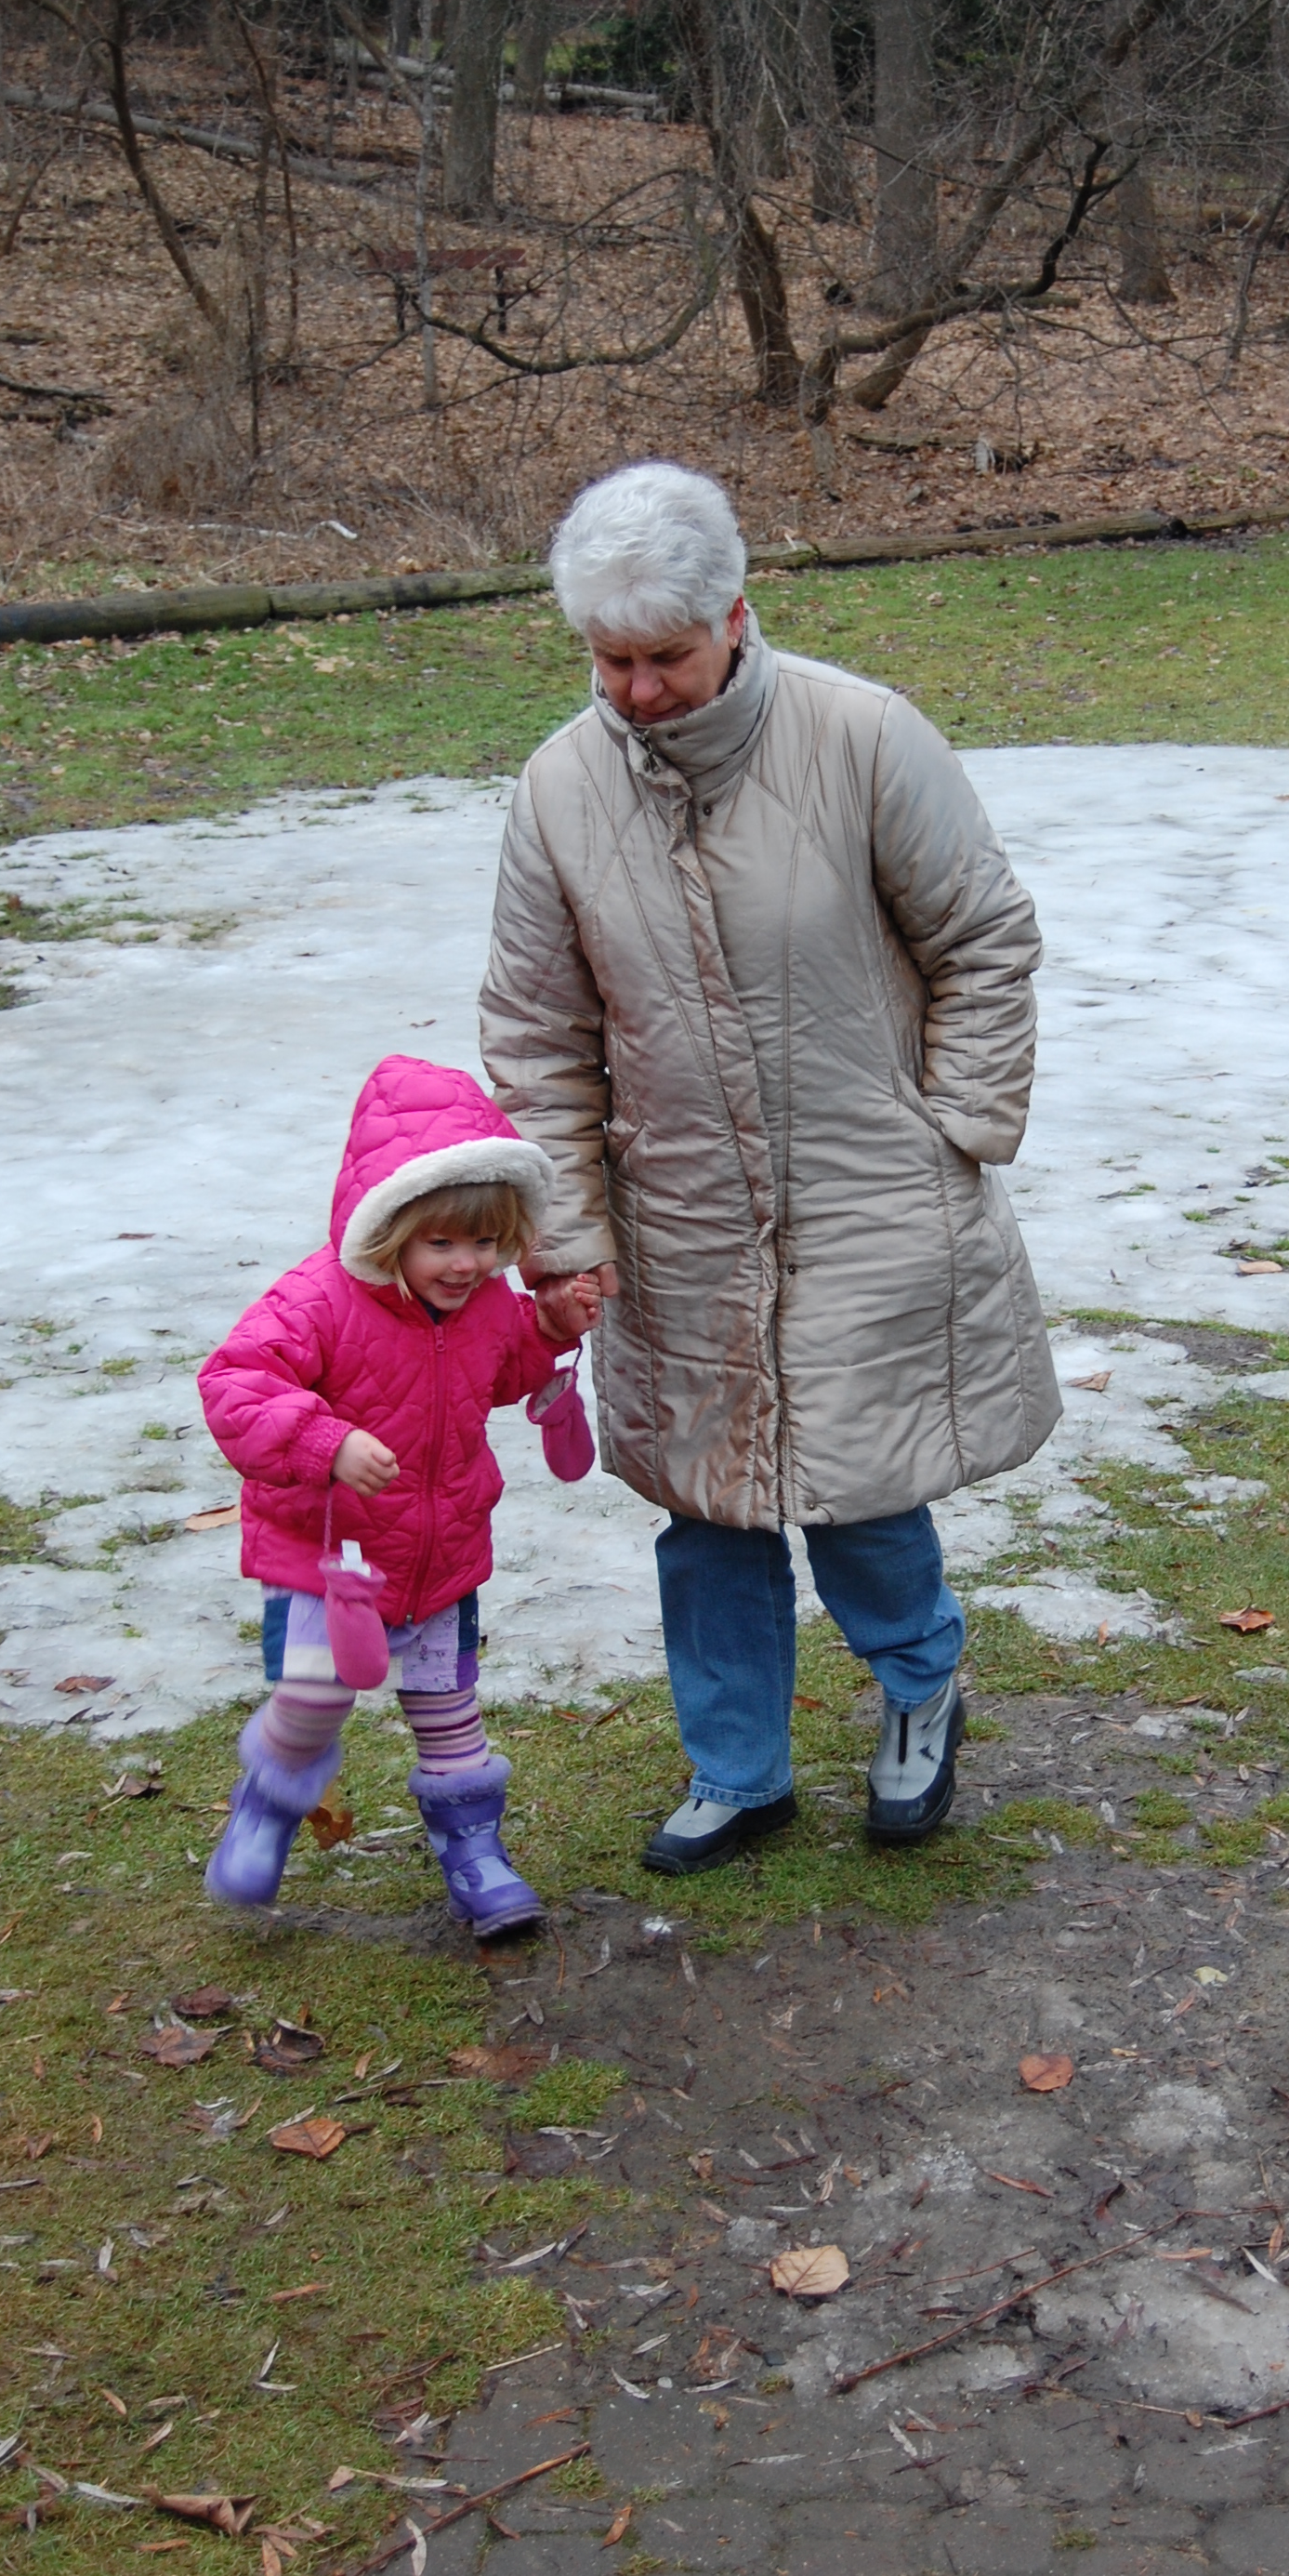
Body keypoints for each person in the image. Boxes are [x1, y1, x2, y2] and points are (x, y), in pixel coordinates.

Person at [480, 460, 1061, 1875]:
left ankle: (920, 1687)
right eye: (609, 660)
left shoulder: (864, 737)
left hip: (868, 1190)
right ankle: (737, 1769)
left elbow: (982, 937)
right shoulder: (558, 790)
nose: (636, 690)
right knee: (708, 1508)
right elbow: (539, 1034)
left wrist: (955, 1124)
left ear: (735, 618)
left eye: (665, 658)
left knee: (862, 1484)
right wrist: (568, 1232)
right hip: (674, 1214)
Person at [197, 1055, 599, 1934]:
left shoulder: (486, 1303)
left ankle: (475, 1853)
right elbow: (235, 1385)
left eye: (486, 1242)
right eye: (442, 1243)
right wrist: (327, 1442)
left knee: (451, 1718)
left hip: (441, 1558)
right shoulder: (316, 1301)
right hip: (329, 1564)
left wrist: (550, 1329)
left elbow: (500, 1371)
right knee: (312, 1701)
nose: (468, 1264)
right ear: (388, 1227)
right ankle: (268, 1802)